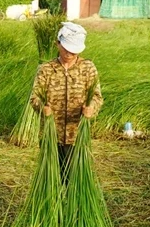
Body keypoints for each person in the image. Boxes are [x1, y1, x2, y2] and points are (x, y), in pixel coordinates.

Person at [28, 21, 103, 181]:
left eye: (73, 50)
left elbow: (97, 97)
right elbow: (34, 97)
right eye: (66, 48)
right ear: (58, 43)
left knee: (75, 178)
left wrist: (92, 108)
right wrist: (42, 108)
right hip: (51, 134)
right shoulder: (46, 69)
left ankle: (73, 205)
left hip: (76, 135)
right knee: (51, 178)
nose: (69, 53)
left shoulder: (88, 68)